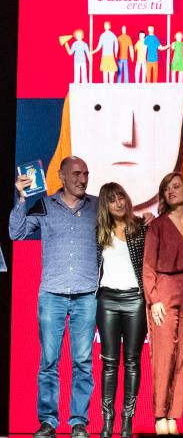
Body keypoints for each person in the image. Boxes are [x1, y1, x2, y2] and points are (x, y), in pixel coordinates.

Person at [9, 156, 98, 438]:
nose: (82, 179)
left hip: (86, 294)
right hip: (52, 294)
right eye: (76, 174)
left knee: (83, 362)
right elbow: (16, 232)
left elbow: (124, 228)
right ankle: (48, 422)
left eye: (85, 173)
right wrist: (21, 198)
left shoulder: (98, 206)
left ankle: (79, 423)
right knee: (48, 362)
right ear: (61, 176)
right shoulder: (45, 205)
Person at [143, 172, 183, 435]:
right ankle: (159, 416)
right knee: (164, 353)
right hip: (164, 290)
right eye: (167, 188)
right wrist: (153, 299)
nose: (172, 191)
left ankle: (175, 415)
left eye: (176, 186)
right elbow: (147, 266)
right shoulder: (157, 225)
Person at [95, 183, 147, 438]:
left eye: (121, 198)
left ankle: (127, 420)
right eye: (112, 200)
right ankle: (108, 421)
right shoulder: (98, 232)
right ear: (105, 204)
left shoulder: (140, 228)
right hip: (107, 299)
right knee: (109, 363)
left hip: (135, 299)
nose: (119, 203)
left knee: (132, 361)